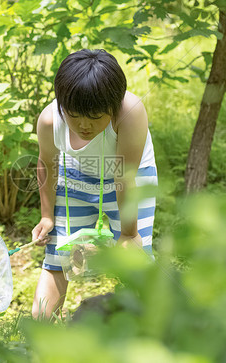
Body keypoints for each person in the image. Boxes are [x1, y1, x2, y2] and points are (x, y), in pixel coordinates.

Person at [31, 49, 158, 319]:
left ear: (114, 105)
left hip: (129, 178)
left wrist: (128, 234)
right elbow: (46, 164)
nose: (84, 124)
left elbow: (124, 176)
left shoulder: (130, 113)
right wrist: (46, 216)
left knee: (135, 257)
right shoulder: (50, 120)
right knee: (58, 256)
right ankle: (37, 337)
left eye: (96, 116)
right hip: (77, 174)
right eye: (74, 115)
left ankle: (149, 327)